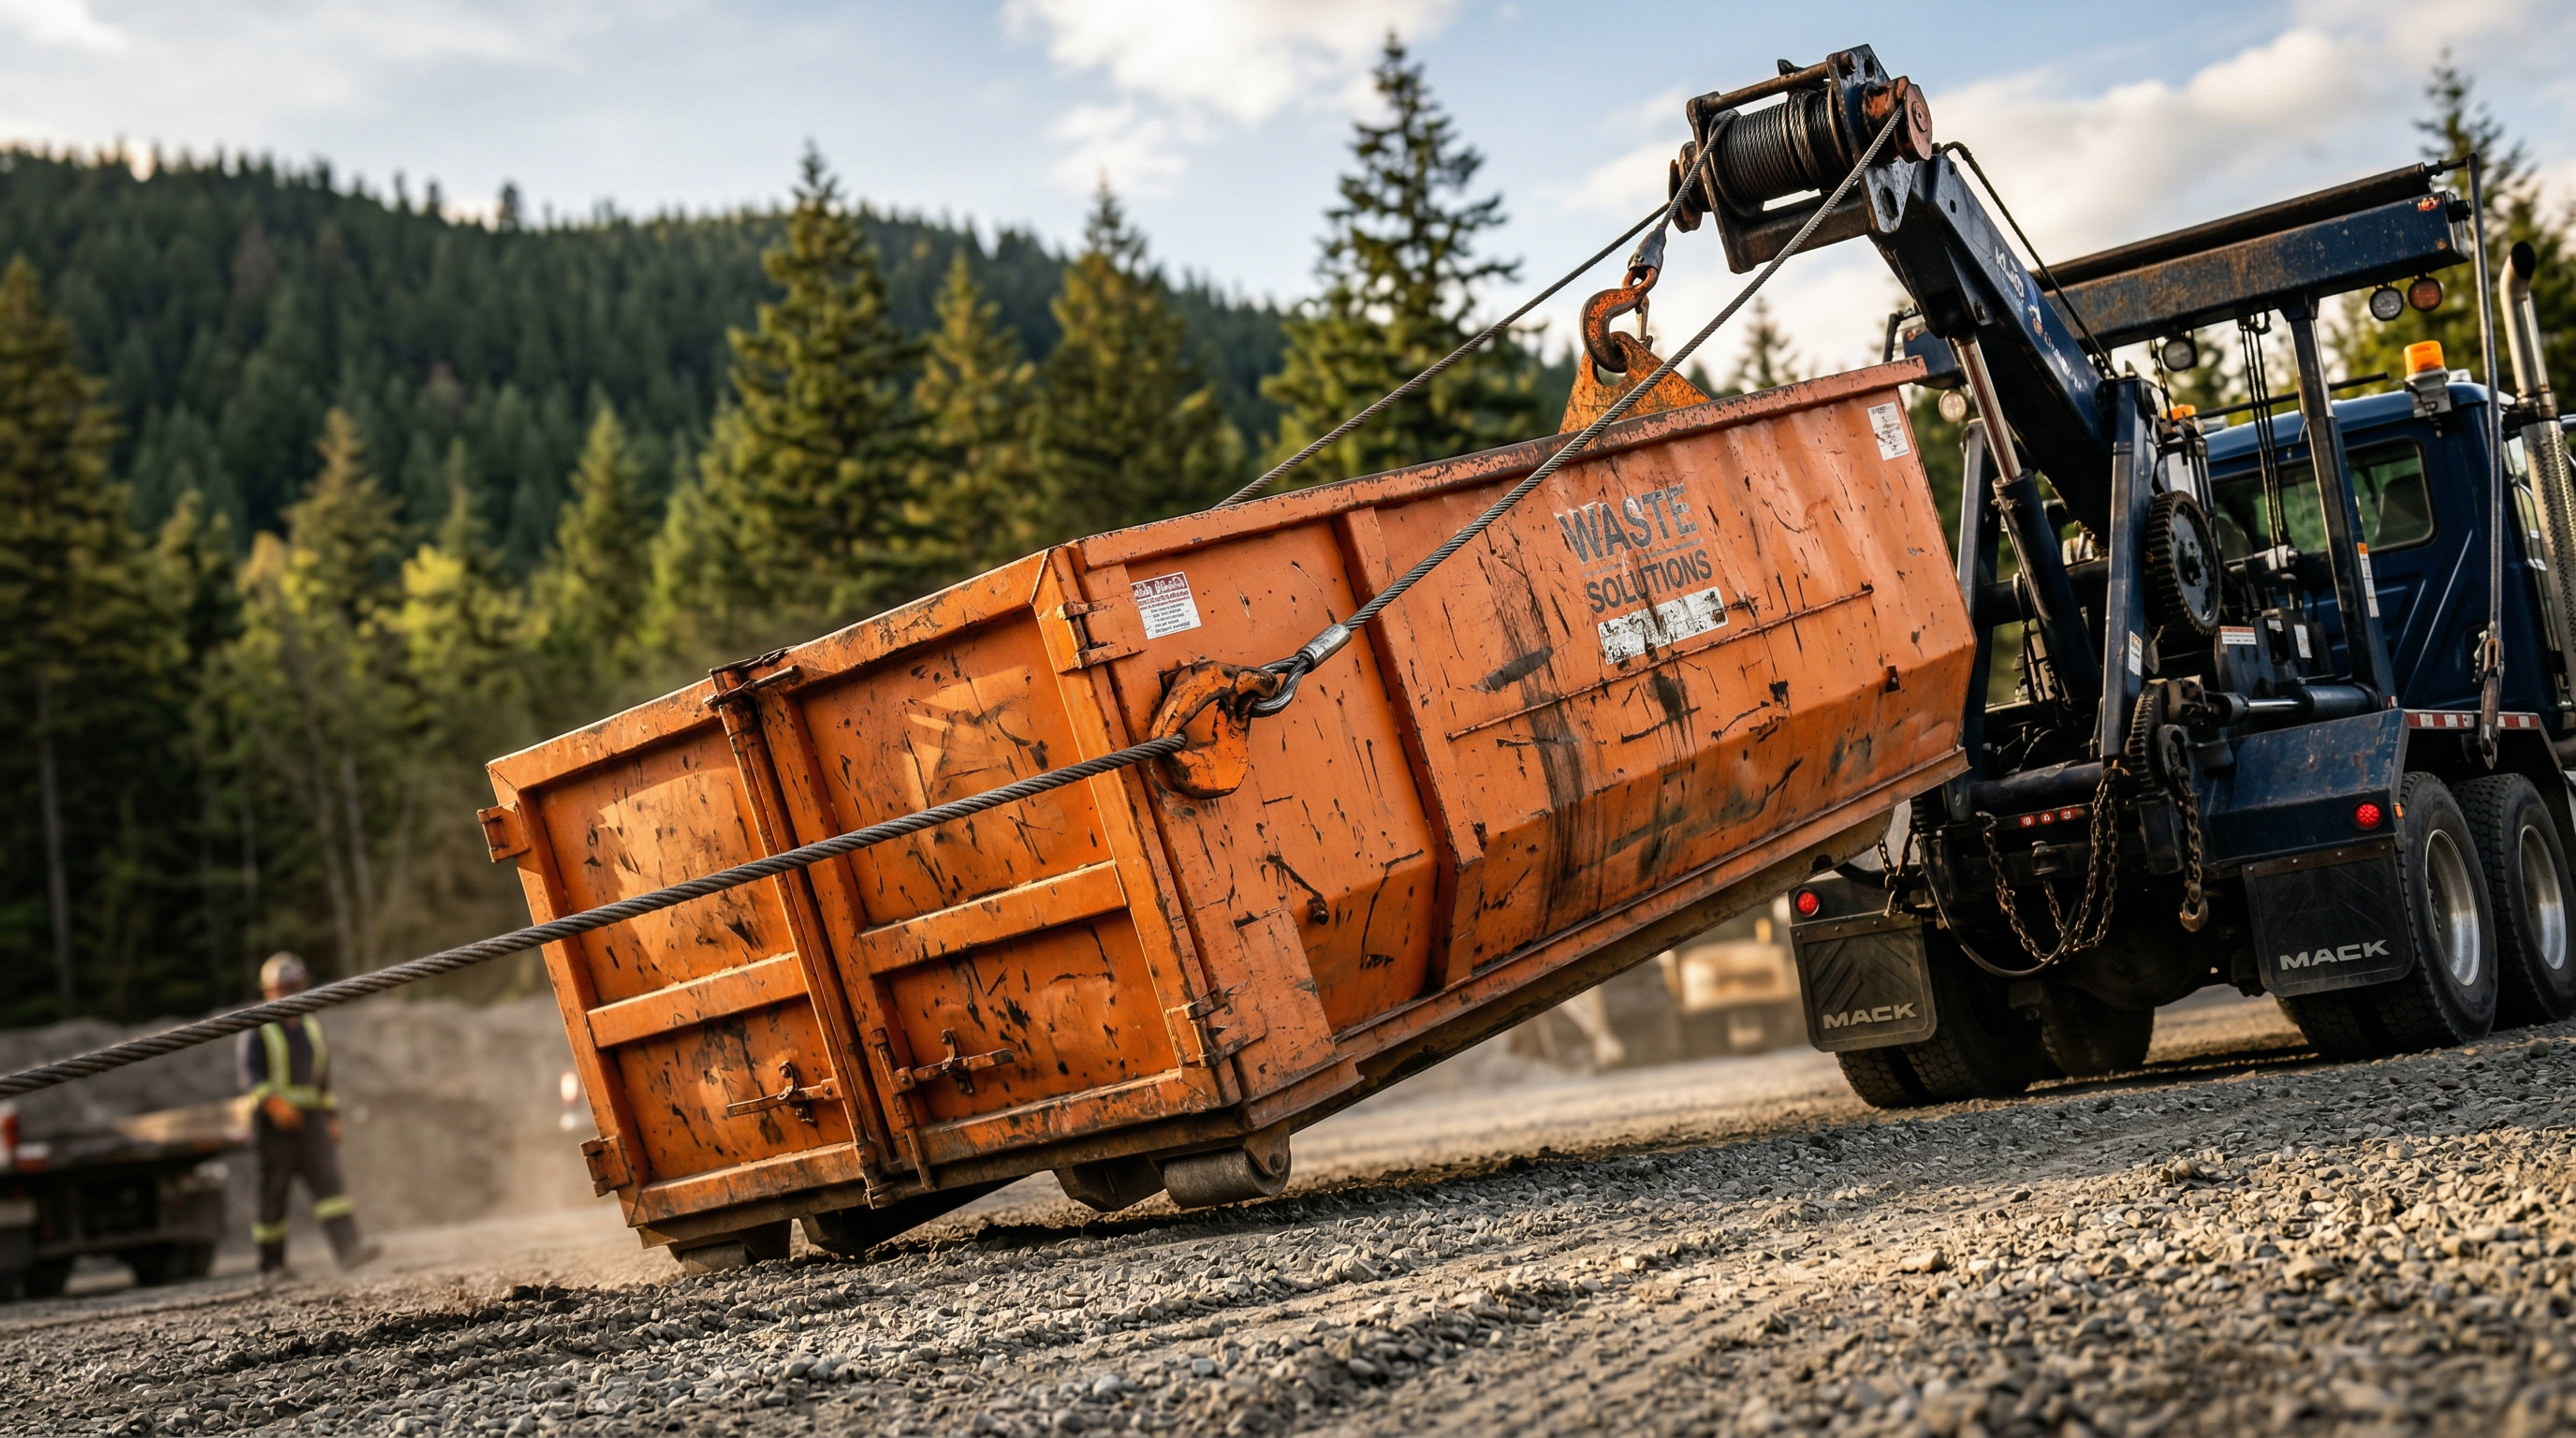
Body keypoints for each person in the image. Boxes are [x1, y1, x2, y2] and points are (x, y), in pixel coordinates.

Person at [238, 953, 379, 1280]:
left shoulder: (311, 1026)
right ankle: (271, 1266)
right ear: (270, 991)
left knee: (330, 1186)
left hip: (311, 1121)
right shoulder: (258, 1029)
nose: (294, 993)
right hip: (274, 1125)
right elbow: (251, 1077)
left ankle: (350, 1250)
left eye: (297, 986)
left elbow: (322, 1078)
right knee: (274, 1193)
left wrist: (331, 1117)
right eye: (287, 988)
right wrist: (273, 1103)